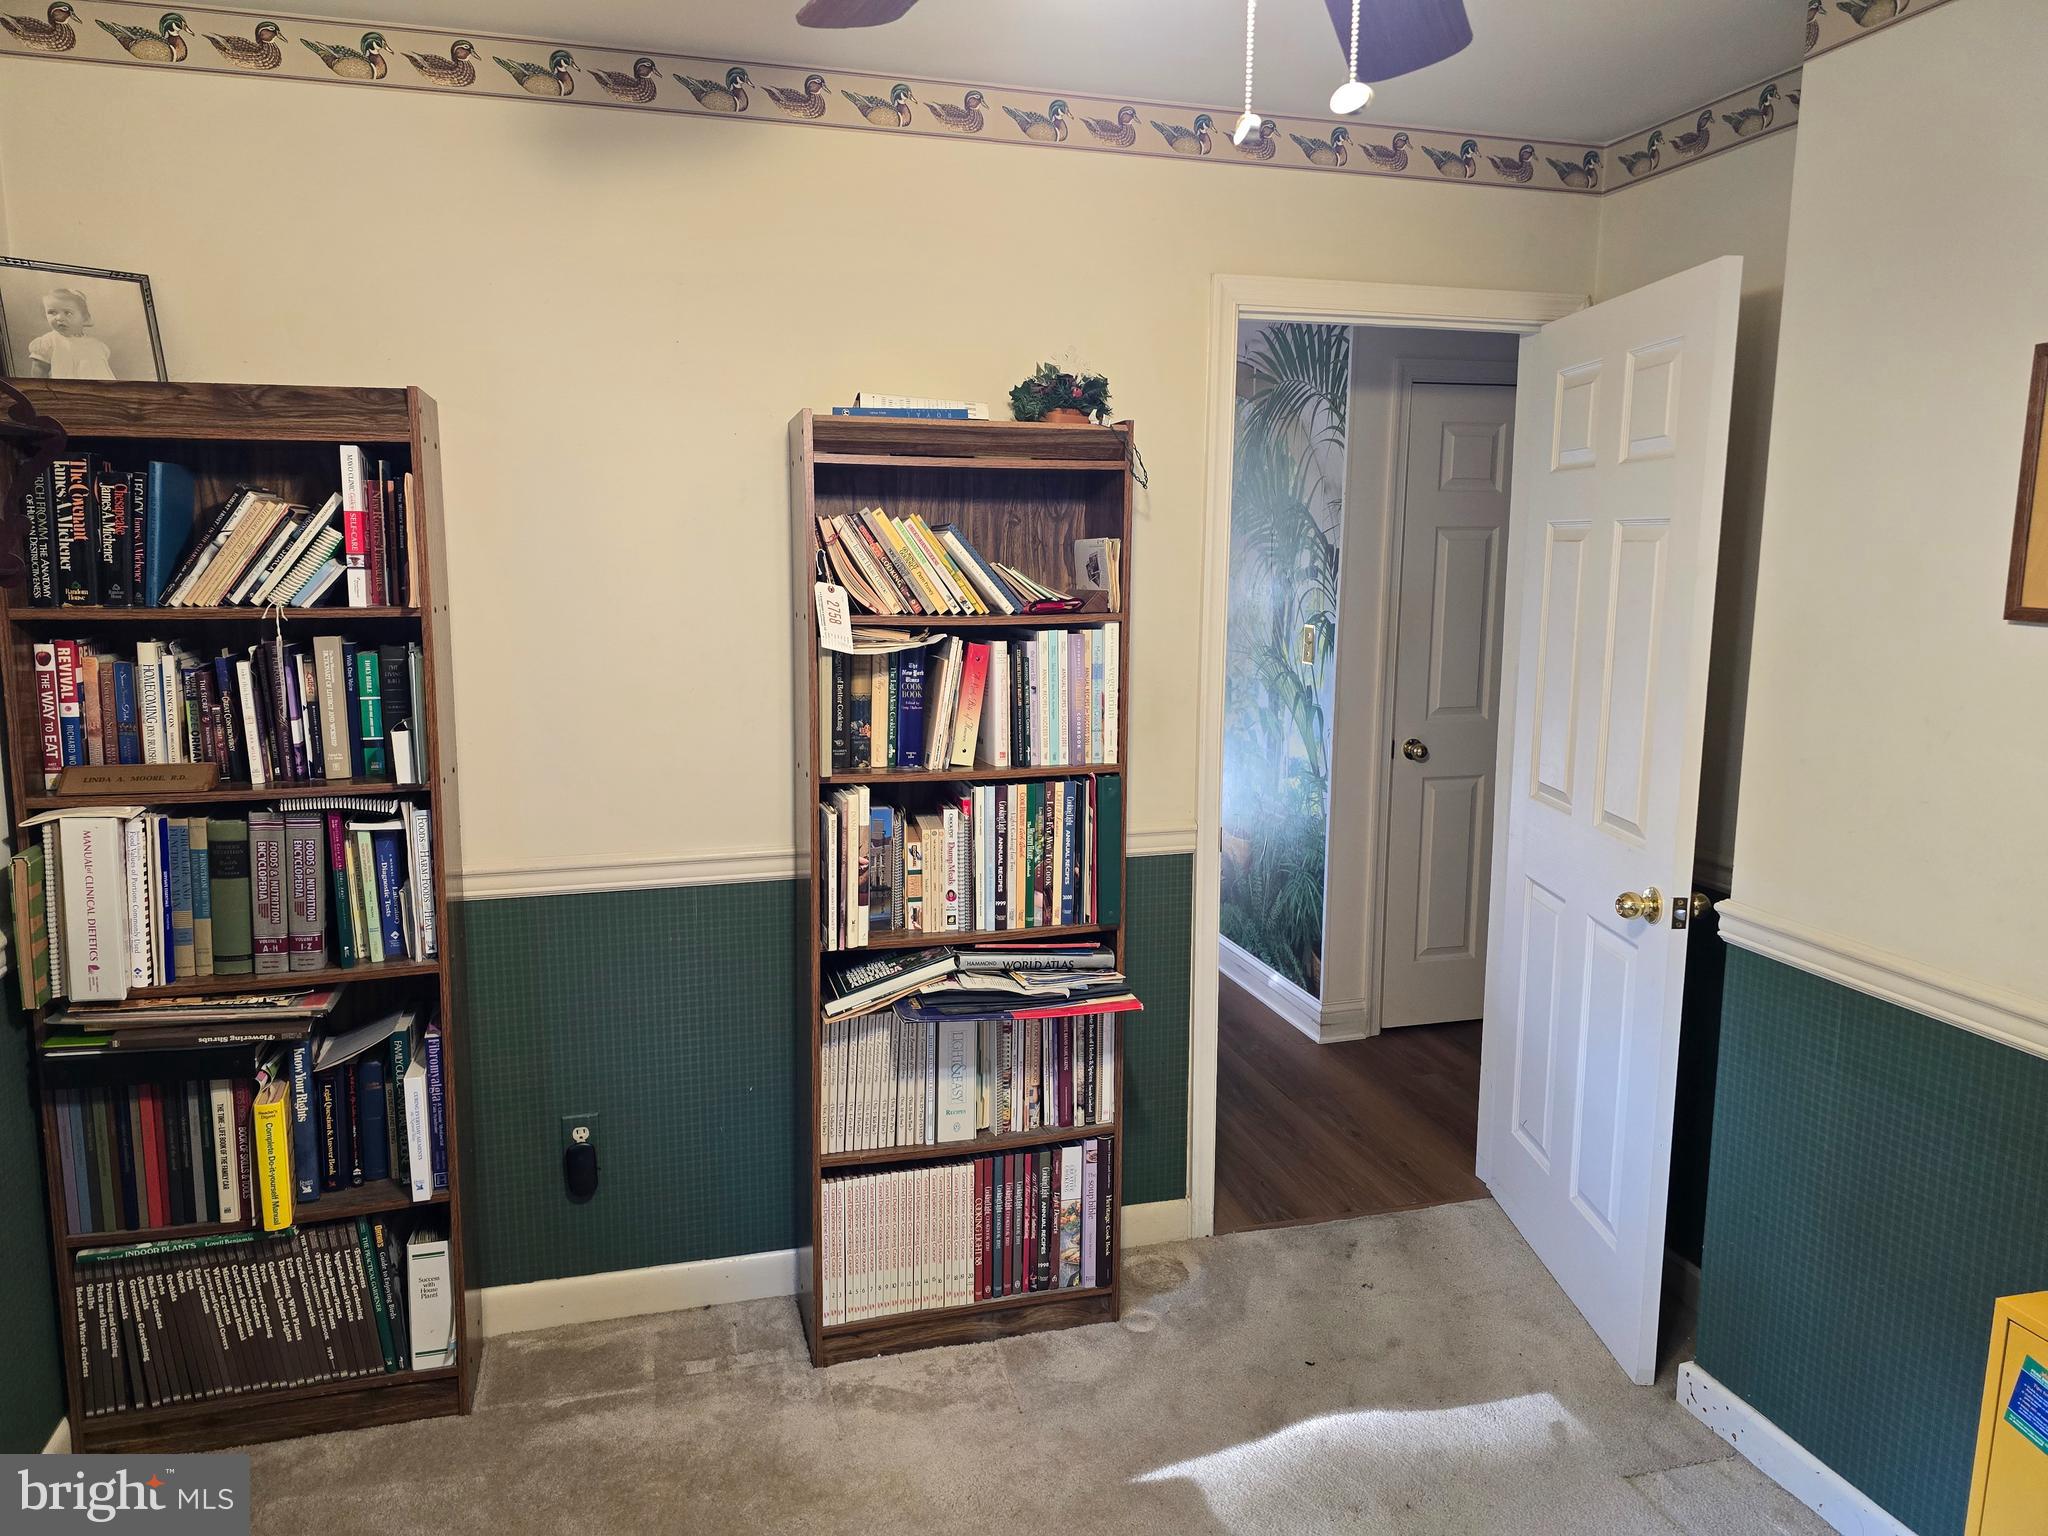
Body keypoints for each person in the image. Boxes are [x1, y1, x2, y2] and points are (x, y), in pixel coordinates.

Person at [25, 287, 117, 379]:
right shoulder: (48, 342)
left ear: (84, 318)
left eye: (68, 313)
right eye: (52, 312)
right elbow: (39, 371)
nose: (59, 318)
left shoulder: (97, 346)